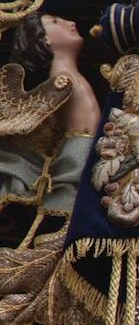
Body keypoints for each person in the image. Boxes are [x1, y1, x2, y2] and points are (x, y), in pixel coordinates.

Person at [0, 13, 100, 212]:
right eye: (55, 21)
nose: (71, 22)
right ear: (45, 40)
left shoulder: (67, 78)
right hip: (77, 157)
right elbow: (82, 132)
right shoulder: (61, 81)